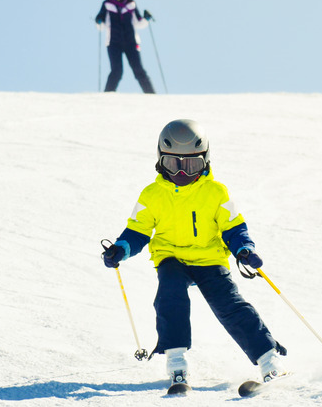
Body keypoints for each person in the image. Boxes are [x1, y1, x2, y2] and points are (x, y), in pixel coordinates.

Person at [101, 119, 287, 388]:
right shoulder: (152, 194)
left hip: (209, 258)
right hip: (171, 257)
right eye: (173, 164)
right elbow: (138, 231)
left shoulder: (215, 192)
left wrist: (244, 249)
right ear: (160, 160)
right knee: (170, 295)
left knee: (230, 305)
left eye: (191, 165)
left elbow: (233, 227)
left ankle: (268, 359)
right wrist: (121, 249)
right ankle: (176, 359)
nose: (182, 173)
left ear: (205, 160)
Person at [95, 0, 156, 94]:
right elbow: (101, 26)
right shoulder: (107, 4)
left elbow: (139, 23)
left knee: (139, 70)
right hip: (114, 43)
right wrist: (98, 21)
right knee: (116, 71)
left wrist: (146, 19)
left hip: (131, 42)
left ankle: (151, 96)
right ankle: (107, 96)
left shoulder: (131, 4)